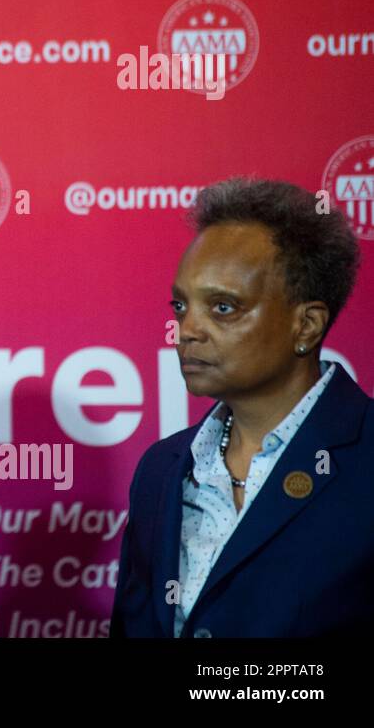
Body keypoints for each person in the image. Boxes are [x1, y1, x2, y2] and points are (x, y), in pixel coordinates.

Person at [112, 177, 370, 637]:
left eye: (223, 308)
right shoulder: (162, 470)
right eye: (180, 306)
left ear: (306, 325)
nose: (187, 330)